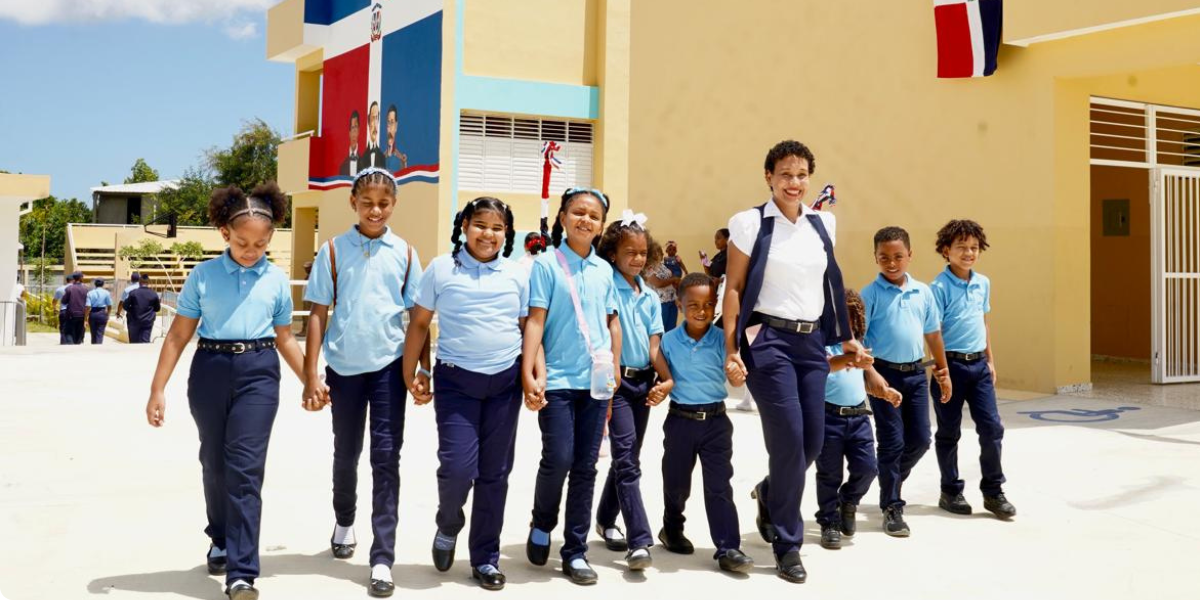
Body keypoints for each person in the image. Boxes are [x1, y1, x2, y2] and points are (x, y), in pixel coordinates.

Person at [144, 183, 308, 600]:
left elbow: (285, 337)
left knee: (245, 470)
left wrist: (311, 378)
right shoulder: (203, 276)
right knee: (214, 464)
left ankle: (242, 573)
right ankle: (219, 536)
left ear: (270, 239)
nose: (251, 251)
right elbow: (178, 336)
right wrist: (157, 389)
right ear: (224, 233)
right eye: (242, 242)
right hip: (210, 370)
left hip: (259, 372)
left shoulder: (275, 280)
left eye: (260, 244)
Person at [722, 140, 865, 583]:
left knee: (812, 444)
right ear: (769, 177)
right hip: (768, 340)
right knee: (787, 442)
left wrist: (846, 338)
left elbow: (829, 285)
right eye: (785, 174)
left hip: (811, 343)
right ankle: (788, 544)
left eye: (801, 174)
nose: (794, 182)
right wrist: (731, 349)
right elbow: (734, 287)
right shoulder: (749, 223)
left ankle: (769, 492)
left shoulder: (823, 223)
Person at [302, 167, 426, 598]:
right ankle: (344, 519)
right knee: (347, 452)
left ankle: (382, 557)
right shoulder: (333, 251)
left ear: (394, 205)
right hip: (344, 369)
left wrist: (421, 370)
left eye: (384, 203)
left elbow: (418, 318)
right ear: (353, 203)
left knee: (386, 458)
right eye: (367, 202)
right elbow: (317, 313)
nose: (376, 210)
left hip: (389, 369)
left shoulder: (406, 253)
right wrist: (311, 373)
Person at [402, 197, 526, 590]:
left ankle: (485, 558)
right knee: (457, 468)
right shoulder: (441, 268)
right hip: (457, 382)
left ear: (507, 234)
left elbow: (529, 328)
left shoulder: (518, 274)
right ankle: (448, 521)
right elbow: (419, 323)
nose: (488, 234)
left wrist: (533, 374)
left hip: (505, 384)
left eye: (497, 228)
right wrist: (413, 371)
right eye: (480, 225)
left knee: (495, 474)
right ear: (464, 226)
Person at [522, 187, 620, 586]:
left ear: (601, 226)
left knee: (586, 466)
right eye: (578, 212)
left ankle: (575, 550)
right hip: (558, 381)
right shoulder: (546, 264)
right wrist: (529, 371)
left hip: (595, 383)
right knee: (559, 457)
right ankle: (542, 522)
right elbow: (535, 321)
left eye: (594, 216)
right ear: (562, 218)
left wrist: (614, 369)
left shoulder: (604, 270)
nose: (586, 220)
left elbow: (611, 322)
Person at [657, 273, 755, 574]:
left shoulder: (723, 339)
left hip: (715, 423)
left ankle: (728, 548)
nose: (702, 311)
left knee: (719, 486)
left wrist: (736, 375)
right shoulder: (668, 342)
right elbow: (662, 377)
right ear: (679, 305)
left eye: (709, 304)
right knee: (676, 484)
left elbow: (734, 376)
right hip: (680, 421)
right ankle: (672, 527)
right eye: (694, 305)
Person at [593, 215, 674, 572]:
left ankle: (604, 517)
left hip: (643, 384)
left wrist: (666, 380)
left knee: (629, 456)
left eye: (643, 253)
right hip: (617, 384)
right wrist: (608, 383)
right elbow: (607, 334)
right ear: (612, 253)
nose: (638, 259)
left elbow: (654, 347)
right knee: (627, 460)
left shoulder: (651, 296)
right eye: (630, 252)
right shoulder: (607, 287)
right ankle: (639, 541)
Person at [861, 226, 952, 537]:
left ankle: (890, 477)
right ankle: (892, 506)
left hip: (915, 375)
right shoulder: (870, 294)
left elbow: (933, 334)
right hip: (884, 375)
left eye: (898, 256)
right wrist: (870, 375)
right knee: (891, 441)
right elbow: (859, 340)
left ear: (910, 255)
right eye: (884, 257)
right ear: (875, 257)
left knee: (921, 439)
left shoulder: (923, 292)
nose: (891, 263)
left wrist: (943, 371)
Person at [929, 220, 1016, 520]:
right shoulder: (938, 287)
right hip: (950, 366)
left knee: (992, 429)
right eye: (961, 247)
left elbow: (983, 322)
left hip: (978, 366)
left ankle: (993, 491)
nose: (968, 253)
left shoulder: (983, 283)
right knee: (949, 432)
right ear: (946, 250)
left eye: (974, 248)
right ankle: (950, 490)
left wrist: (990, 360)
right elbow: (934, 332)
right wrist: (942, 371)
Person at [814, 289, 897, 550]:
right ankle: (829, 522)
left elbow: (872, 377)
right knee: (829, 474)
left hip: (859, 417)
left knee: (868, 468)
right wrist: (852, 358)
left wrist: (886, 391)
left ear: (856, 321)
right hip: (828, 418)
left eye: (846, 320)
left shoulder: (859, 347)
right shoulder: (820, 345)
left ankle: (848, 500)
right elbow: (827, 365)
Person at [645, 258, 681, 332]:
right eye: (657, 253)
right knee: (660, 330)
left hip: (671, 300)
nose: (661, 254)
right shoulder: (648, 268)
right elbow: (658, 283)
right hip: (660, 303)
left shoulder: (662, 265)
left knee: (671, 330)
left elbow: (670, 277)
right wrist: (673, 280)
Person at [124, 275, 161, 344]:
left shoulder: (133, 293)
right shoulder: (154, 294)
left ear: (140, 282)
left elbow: (125, 306)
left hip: (134, 321)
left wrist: (132, 311)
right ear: (148, 282)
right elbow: (157, 309)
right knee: (145, 342)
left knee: (134, 342)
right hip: (148, 321)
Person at [60, 272, 88, 345]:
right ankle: (77, 344)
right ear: (81, 278)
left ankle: (71, 346)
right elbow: (88, 302)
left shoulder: (69, 288)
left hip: (71, 315)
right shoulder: (85, 289)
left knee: (68, 332)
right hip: (82, 314)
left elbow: (64, 301)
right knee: (79, 333)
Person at [85, 278, 113, 344]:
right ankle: (98, 346)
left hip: (93, 313)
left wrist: (86, 318)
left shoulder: (90, 293)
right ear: (103, 284)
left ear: (95, 284)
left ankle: (94, 345)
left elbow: (88, 307)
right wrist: (108, 314)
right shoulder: (106, 293)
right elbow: (109, 305)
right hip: (102, 313)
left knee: (93, 333)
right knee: (100, 332)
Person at [364, 101, 388, 170]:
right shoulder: (361, 159)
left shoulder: (382, 158)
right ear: (368, 121)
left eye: (376, 118)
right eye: (373, 118)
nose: (375, 124)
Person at [384, 104, 407, 173]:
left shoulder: (401, 159)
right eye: (388, 122)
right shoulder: (381, 158)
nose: (389, 127)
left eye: (392, 122)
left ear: (396, 126)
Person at [340, 110, 362, 177]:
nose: (354, 131)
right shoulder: (342, 167)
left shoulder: (365, 163)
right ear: (349, 133)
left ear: (359, 130)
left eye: (356, 127)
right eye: (352, 127)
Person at [53, 274, 71, 344]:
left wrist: (55, 308)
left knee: (63, 328)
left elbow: (54, 301)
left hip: (63, 311)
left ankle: (63, 343)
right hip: (74, 311)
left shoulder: (60, 289)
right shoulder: (76, 289)